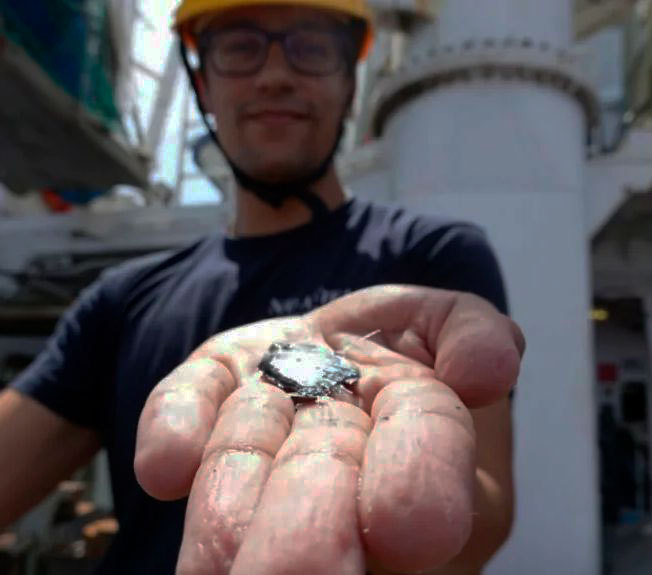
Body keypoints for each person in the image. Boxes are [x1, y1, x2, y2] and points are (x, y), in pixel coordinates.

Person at [0, 1, 525, 573]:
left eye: (312, 48)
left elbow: (482, 519)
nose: (275, 75)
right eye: (240, 48)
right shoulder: (120, 300)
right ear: (204, 85)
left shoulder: (433, 258)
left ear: (350, 84)